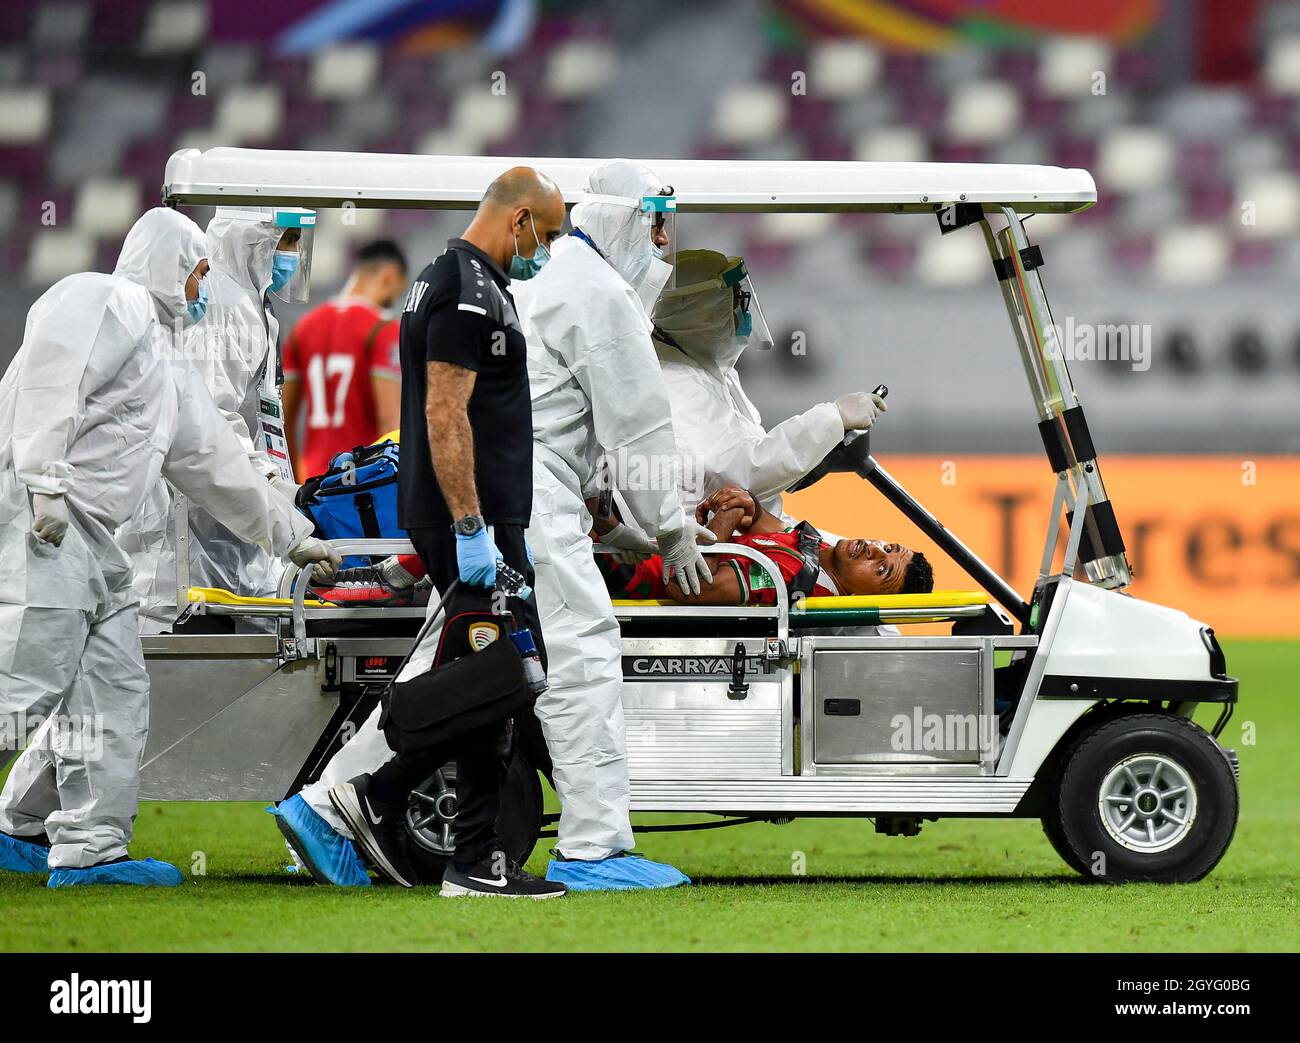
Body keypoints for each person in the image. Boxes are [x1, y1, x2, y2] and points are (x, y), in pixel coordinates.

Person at [0, 208, 339, 886]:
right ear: (169, 261)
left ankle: (92, 850)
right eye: (198, 271)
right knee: (20, 686)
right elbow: (48, 381)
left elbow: (216, 466)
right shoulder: (102, 298)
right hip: (43, 526)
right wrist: (44, 486)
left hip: (97, 545)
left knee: (114, 693)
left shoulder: (168, 361)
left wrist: (293, 537)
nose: (202, 287)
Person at [274, 168, 568, 898]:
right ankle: (447, 843)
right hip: (474, 522)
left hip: (473, 519)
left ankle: (398, 807)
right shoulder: (468, 291)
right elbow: (443, 414)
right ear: (521, 218)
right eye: (550, 233)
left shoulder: (450, 280)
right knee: (503, 676)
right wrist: (470, 527)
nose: (549, 249)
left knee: (489, 678)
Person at [514, 159, 714, 891]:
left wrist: (615, 515)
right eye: (658, 222)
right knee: (586, 653)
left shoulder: (553, 275)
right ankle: (593, 848)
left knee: (452, 658)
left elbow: (574, 415)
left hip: (507, 491)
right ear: (628, 219)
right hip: (535, 500)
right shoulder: (600, 292)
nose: (664, 241)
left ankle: (334, 804)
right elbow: (639, 428)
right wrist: (672, 529)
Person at [123, 205, 317, 631]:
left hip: (238, 512)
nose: (294, 254)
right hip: (199, 524)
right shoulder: (223, 308)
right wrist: (270, 489)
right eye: (287, 241)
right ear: (253, 237)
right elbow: (210, 424)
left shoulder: (254, 308)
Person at [649, 249, 888, 526]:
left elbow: (749, 454)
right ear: (702, 313)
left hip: (752, 527)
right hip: (719, 543)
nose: (742, 313)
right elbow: (742, 474)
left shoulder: (705, 369)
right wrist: (832, 418)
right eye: (735, 301)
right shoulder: (675, 383)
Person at [601, 484, 933, 605]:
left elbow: (696, 591)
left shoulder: (794, 577)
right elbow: (764, 522)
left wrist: (728, 514)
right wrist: (746, 503)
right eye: (888, 547)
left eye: (880, 569)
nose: (874, 549)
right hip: (642, 537)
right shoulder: (813, 549)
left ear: (862, 599)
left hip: (629, 573)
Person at [282, 239, 409, 480]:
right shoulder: (383, 329)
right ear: (390, 276)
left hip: (312, 480)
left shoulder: (302, 328)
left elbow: (283, 416)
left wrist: (293, 482)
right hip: (362, 484)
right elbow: (389, 424)